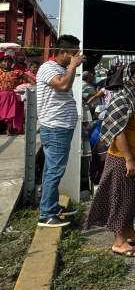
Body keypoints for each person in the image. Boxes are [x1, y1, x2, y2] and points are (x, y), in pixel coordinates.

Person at [85, 63, 135, 257]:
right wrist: (129, 159)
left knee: (133, 199)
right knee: (121, 199)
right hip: (123, 158)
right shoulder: (122, 99)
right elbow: (118, 132)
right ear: (128, 79)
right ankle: (118, 241)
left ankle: (129, 232)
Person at [36, 35, 83, 227]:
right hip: (55, 127)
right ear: (63, 52)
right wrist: (72, 67)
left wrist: (70, 68)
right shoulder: (48, 68)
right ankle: (46, 214)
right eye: (74, 53)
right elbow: (63, 86)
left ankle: (52, 206)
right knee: (55, 170)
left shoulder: (61, 69)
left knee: (52, 168)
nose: (77, 56)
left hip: (61, 127)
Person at [0, 53, 35, 135]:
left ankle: (8, 130)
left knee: (10, 114)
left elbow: (31, 80)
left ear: (12, 63)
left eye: (9, 61)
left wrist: (28, 87)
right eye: (5, 61)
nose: (7, 63)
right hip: (1, 96)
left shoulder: (17, 72)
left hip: (11, 96)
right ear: (1, 63)